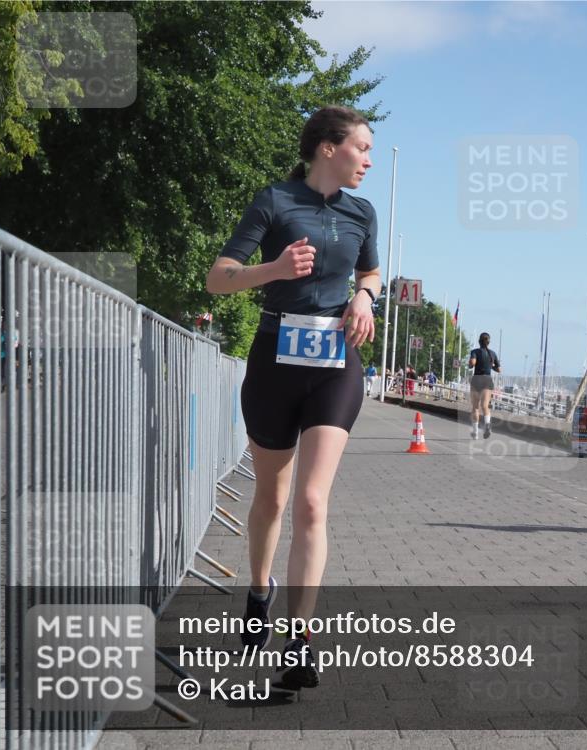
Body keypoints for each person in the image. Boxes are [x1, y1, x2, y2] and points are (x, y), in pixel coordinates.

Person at [205, 106, 380, 689]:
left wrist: (364, 296)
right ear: (329, 148)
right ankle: (260, 589)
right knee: (271, 500)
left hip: (335, 362)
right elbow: (219, 277)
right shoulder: (274, 201)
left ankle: (299, 641)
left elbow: (373, 273)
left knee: (310, 502)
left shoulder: (362, 212)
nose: (369, 159)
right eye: (362, 147)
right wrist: (273, 268)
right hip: (275, 359)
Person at [468, 332, 500, 439]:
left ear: (479, 341)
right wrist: (491, 366)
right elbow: (499, 369)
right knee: (485, 406)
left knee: (475, 408)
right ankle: (487, 425)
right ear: (488, 342)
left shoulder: (475, 352)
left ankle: (475, 432)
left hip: (477, 379)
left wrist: (469, 364)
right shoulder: (493, 354)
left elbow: (472, 363)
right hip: (487, 380)